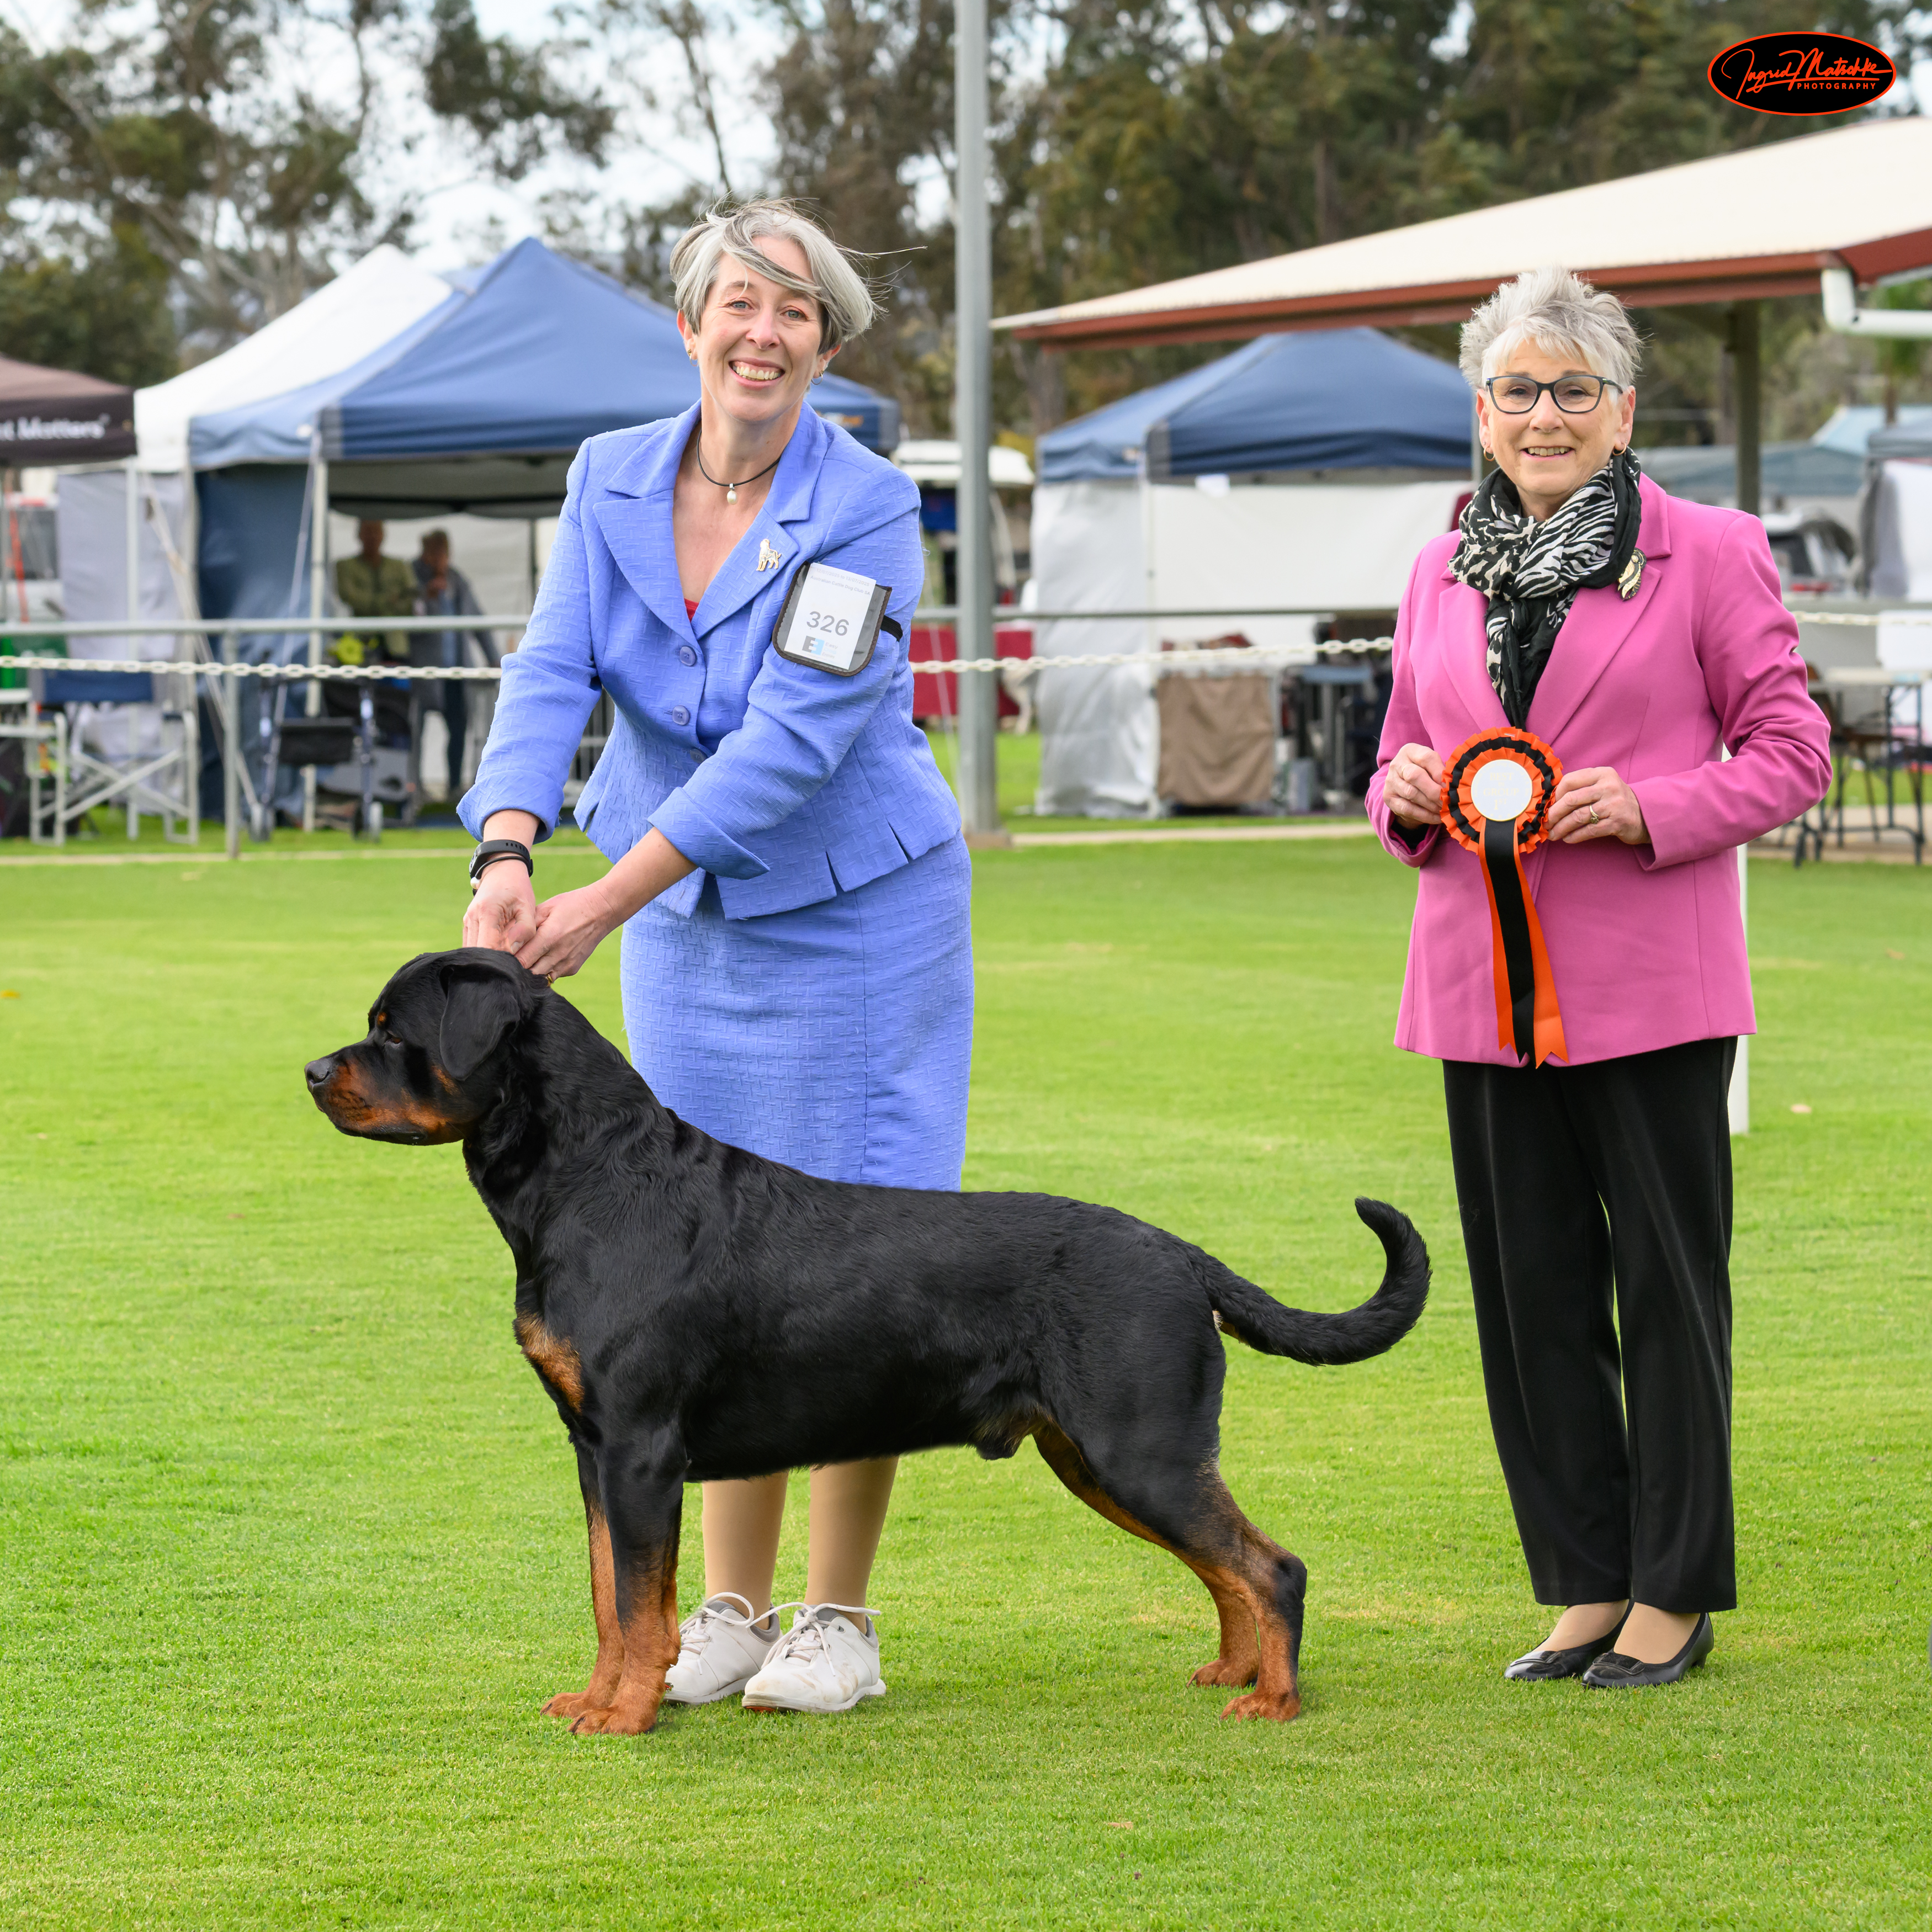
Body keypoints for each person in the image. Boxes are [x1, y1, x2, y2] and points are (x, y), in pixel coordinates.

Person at [458, 200, 969, 1717]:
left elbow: (792, 743)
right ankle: (729, 1612)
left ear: (825, 343)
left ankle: (838, 1619)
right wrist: (505, 845)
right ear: (689, 325)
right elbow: (552, 666)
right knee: (703, 1258)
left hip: (855, 909)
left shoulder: (868, 504)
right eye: (739, 302)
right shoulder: (607, 474)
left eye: (795, 311)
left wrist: (605, 898)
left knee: (859, 1254)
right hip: (685, 925)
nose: (763, 332)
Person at [1369, 268, 1830, 1690]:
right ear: (1482, 412)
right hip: (1479, 995)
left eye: (1575, 389)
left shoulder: (1712, 550)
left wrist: (1651, 807)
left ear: (1623, 410)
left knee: (1670, 1296)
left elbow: (1792, 750)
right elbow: (1395, 757)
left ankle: (1673, 1594)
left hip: (1651, 992)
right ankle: (1583, 1582)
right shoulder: (1437, 570)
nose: (1545, 414)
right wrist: (1407, 793)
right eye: (1517, 389)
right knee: (1533, 1303)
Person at [412, 529, 498, 797]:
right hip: (422, 672)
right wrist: (426, 595)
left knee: (459, 729)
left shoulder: (457, 580)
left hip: (457, 672)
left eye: (443, 551)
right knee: (415, 731)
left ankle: (453, 787)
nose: (439, 557)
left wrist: (494, 658)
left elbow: (479, 623)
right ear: (424, 552)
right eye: (434, 551)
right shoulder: (411, 576)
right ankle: (415, 787)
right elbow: (406, 615)